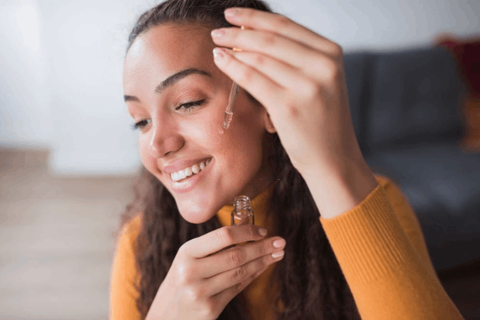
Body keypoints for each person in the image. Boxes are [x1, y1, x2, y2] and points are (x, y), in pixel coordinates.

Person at [110, 0, 465, 319]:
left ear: (267, 102)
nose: (157, 143)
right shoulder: (139, 242)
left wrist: (333, 165)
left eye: (188, 102)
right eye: (141, 120)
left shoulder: (379, 201)